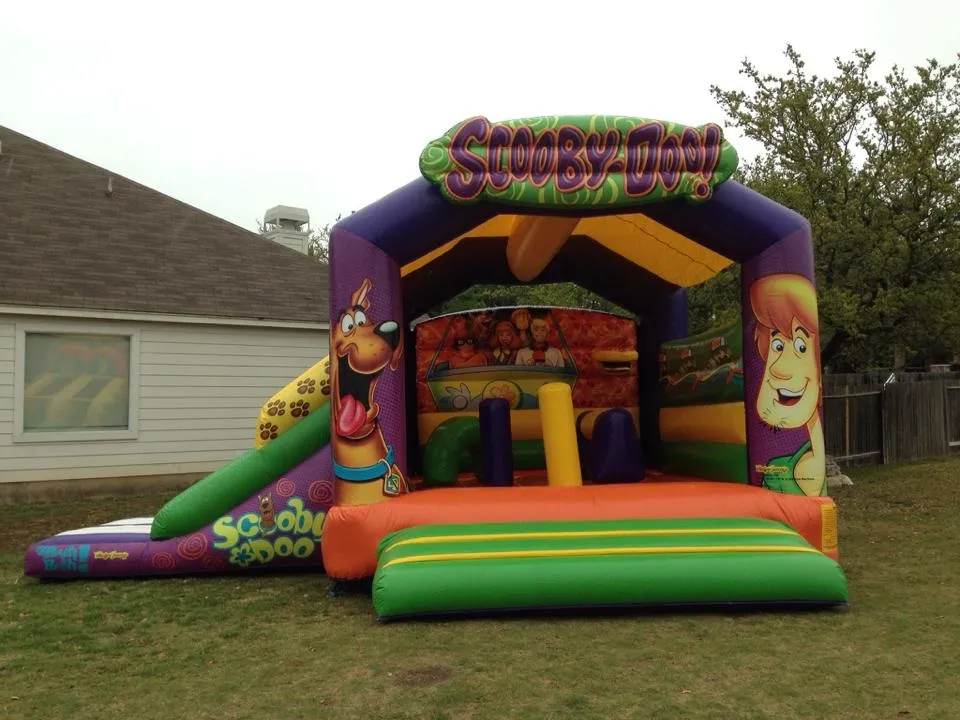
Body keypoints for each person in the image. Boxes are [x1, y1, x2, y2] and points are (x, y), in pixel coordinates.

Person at [749, 273, 825, 496]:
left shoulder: (781, 468)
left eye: (801, 347)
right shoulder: (774, 470)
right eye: (777, 347)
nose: (778, 369)